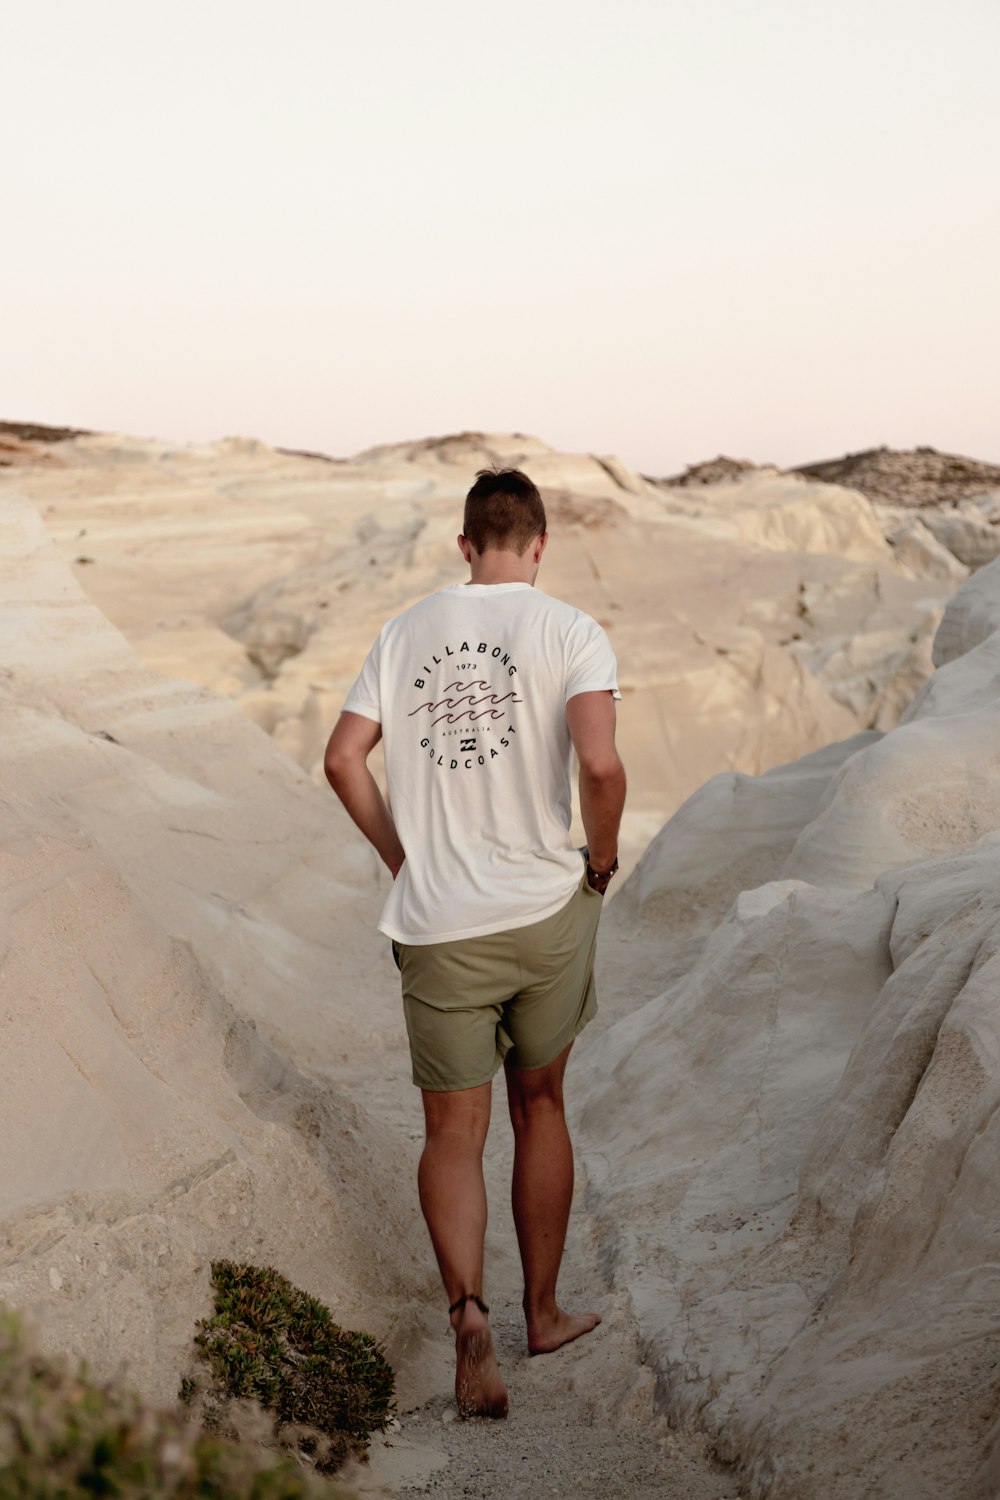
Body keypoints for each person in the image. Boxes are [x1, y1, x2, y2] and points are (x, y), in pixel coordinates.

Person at [323, 466, 626, 1419]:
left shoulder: (404, 631)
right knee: (541, 1103)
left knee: (453, 1133)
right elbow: (601, 763)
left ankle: (468, 1313)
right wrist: (602, 863)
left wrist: (402, 858)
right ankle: (542, 1312)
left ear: (465, 544)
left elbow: (341, 759)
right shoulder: (571, 629)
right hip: (543, 909)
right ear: (538, 545)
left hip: (441, 917)